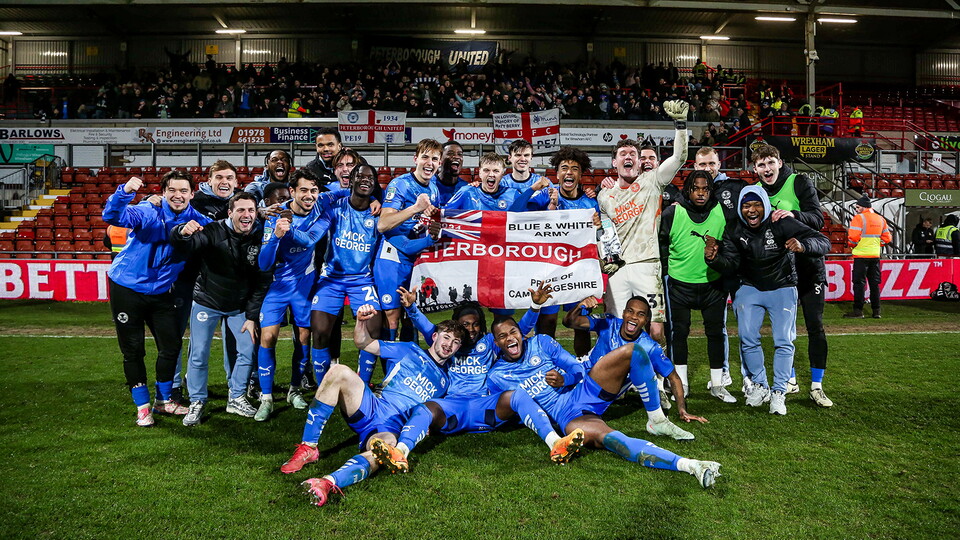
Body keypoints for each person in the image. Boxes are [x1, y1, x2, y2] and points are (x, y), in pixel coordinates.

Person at [368, 285, 586, 473]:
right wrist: (411, 307)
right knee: (426, 409)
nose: (470, 329)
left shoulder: (490, 342)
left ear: (481, 324)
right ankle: (400, 452)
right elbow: (426, 327)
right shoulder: (450, 343)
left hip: (485, 405)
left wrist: (535, 306)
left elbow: (518, 329)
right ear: (455, 327)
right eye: (465, 325)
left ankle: (556, 443)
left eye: (475, 324)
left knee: (518, 395)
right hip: (452, 406)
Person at [479, 319, 719, 487]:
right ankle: (690, 465)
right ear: (497, 344)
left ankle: (656, 419)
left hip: (584, 390)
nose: (510, 338)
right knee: (615, 441)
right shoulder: (497, 376)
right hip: (570, 419)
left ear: (521, 332)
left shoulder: (541, 342)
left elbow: (574, 366)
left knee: (633, 351)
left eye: (513, 331)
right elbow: (512, 411)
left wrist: (565, 378)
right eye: (502, 336)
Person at [294, 305, 466, 506]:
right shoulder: (408, 349)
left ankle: (328, 482)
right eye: (446, 337)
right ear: (435, 336)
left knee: (384, 451)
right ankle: (308, 447)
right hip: (372, 406)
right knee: (339, 371)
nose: (449, 345)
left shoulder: (446, 381)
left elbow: (433, 413)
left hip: (390, 428)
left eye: (455, 343)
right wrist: (360, 321)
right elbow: (363, 342)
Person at [705, 186, 830, 416]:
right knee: (747, 338)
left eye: (757, 205)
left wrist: (803, 246)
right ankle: (761, 386)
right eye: (746, 205)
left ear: (765, 204)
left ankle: (779, 392)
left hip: (782, 287)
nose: (752, 210)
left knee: (783, 340)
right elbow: (731, 263)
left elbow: (823, 241)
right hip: (749, 288)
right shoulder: (734, 228)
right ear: (741, 208)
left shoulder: (781, 222)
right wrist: (714, 259)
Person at [102, 171, 212, 427]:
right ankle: (142, 407)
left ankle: (163, 401)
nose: (178, 195)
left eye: (184, 191)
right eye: (172, 190)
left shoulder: (198, 219)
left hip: (162, 291)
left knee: (171, 345)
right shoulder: (148, 210)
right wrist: (125, 192)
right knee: (133, 350)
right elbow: (112, 216)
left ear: (192, 194)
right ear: (163, 192)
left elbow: (223, 231)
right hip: (126, 288)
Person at [170, 192, 271, 425]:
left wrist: (252, 316)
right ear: (230, 213)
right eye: (241, 210)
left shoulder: (261, 236)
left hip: (239, 306)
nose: (246, 215)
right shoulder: (213, 231)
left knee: (247, 350)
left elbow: (263, 280)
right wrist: (181, 233)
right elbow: (187, 243)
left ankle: (236, 397)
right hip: (208, 301)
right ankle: (197, 400)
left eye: (251, 211)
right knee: (199, 353)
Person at [254, 170, 347, 421]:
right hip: (277, 287)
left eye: (314, 190)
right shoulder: (275, 215)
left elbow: (308, 241)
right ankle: (266, 398)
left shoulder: (323, 209)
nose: (309, 195)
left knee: (304, 335)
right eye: (303, 190)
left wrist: (372, 198)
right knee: (268, 337)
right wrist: (275, 236)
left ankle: (295, 389)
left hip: (304, 286)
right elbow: (264, 264)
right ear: (292, 191)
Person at [598, 100, 689, 344]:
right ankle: (622, 378)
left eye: (633, 154)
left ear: (640, 162)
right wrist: (605, 259)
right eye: (622, 154)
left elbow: (680, 157)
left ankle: (658, 380)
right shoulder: (604, 194)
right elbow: (604, 232)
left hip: (648, 265)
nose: (628, 157)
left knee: (656, 330)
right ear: (614, 163)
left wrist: (680, 126)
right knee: (616, 327)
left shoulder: (652, 181)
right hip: (617, 269)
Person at [753, 144, 832, 407]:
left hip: (809, 266)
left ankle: (817, 386)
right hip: (781, 270)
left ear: (779, 162)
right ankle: (791, 379)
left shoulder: (799, 181)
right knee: (783, 331)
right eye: (761, 165)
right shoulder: (756, 191)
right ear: (755, 169)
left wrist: (793, 214)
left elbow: (818, 220)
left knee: (814, 326)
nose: (767, 169)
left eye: (770, 162)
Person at [562, 294, 701, 439]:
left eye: (640, 315)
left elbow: (674, 378)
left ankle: (657, 419)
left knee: (632, 352)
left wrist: (682, 409)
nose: (634, 317)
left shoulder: (650, 347)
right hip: (579, 375)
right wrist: (580, 306)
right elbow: (569, 322)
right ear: (623, 313)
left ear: (646, 320)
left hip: (598, 392)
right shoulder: (609, 322)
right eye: (630, 311)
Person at [658, 170, 732, 402]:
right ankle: (683, 385)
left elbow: (729, 244)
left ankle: (718, 385)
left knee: (716, 333)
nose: (701, 193)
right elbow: (661, 246)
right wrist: (666, 275)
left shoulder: (722, 211)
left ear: (711, 191)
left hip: (713, 284)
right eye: (696, 188)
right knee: (678, 334)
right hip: (679, 285)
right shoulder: (672, 212)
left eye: (705, 189)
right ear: (688, 190)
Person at [309, 164, 386, 386]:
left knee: (372, 332)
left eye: (370, 177)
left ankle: (362, 386)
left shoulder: (378, 214)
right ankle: (323, 388)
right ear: (350, 181)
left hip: (362, 280)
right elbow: (315, 216)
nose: (365, 180)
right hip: (331, 279)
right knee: (320, 332)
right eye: (359, 176)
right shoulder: (334, 209)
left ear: (374, 184)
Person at [524, 146, 599, 354]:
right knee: (547, 324)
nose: (569, 172)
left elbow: (598, 238)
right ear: (556, 173)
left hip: (578, 272)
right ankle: (544, 367)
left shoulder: (590, 203)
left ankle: (583, 365)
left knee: (580, 324)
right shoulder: (545, 197)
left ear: (580, 174)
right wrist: (548, 207)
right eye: (564, 168)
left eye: (574, 168)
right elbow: (518, 215)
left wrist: (598, 225)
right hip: (549, 271)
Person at [374, 139, 443, 341]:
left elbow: (427, 221)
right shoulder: (400, 184)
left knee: (412, 315)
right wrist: (415, 207)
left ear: (439, 164)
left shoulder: (434, 190)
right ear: (415, 159)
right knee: (391, 318)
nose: (429, 163)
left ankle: (407, 365)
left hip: (414, 256)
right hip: (392, 256)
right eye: (425, 157)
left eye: (435, 159)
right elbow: (383, 224)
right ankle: (387, 368)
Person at [844, 196, 892, 319]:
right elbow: (887, 238)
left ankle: (858, 311)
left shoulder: (858, 218)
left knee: (859, 284)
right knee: (874, 284)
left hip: (861, 255)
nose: (856, 209)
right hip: (875, 255)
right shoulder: (880, 219)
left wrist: (853, 246)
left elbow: (853, 238)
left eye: (857, 207)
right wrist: (876, 244)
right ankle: (876, 311)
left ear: (864, 207)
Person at [436, 140, 469, 206]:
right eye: (450, 153)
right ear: (440, 159)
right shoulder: (430, 184)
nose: (456, 157)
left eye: (460, 154)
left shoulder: (466, 188)